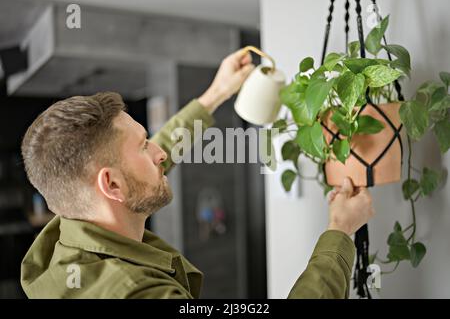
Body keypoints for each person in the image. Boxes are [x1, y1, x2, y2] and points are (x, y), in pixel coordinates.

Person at [20, 48, 374, 299]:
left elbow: (142, 166)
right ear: (110, 184)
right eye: (145, 145)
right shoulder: (135, 291)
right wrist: (339, 232)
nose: (160, 152)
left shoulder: (67, 233)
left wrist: (217, 92)